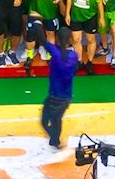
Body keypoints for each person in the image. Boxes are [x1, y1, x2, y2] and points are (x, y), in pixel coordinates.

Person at [30, 19, 79, 157]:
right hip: (66, 97)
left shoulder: (55, 53)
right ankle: (55, 141)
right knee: (57, 119)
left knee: (45, 121)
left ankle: (55, 138)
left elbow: (42, 39)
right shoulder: (73, 56)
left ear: (57, 38)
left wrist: (36, 22)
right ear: (69, 40)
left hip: (54, 97)